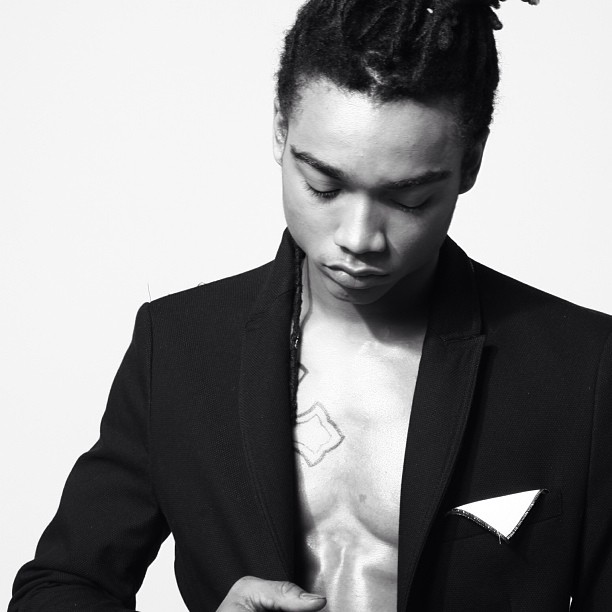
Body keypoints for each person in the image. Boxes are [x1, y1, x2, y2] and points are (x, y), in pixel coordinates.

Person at [8, 0, 612, 610]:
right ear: (280, 128)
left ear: (470, 162)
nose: (358, 237)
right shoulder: (180, 348)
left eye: (408, 200)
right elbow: (57, 589)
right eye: (324, 186)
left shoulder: (584, 370)